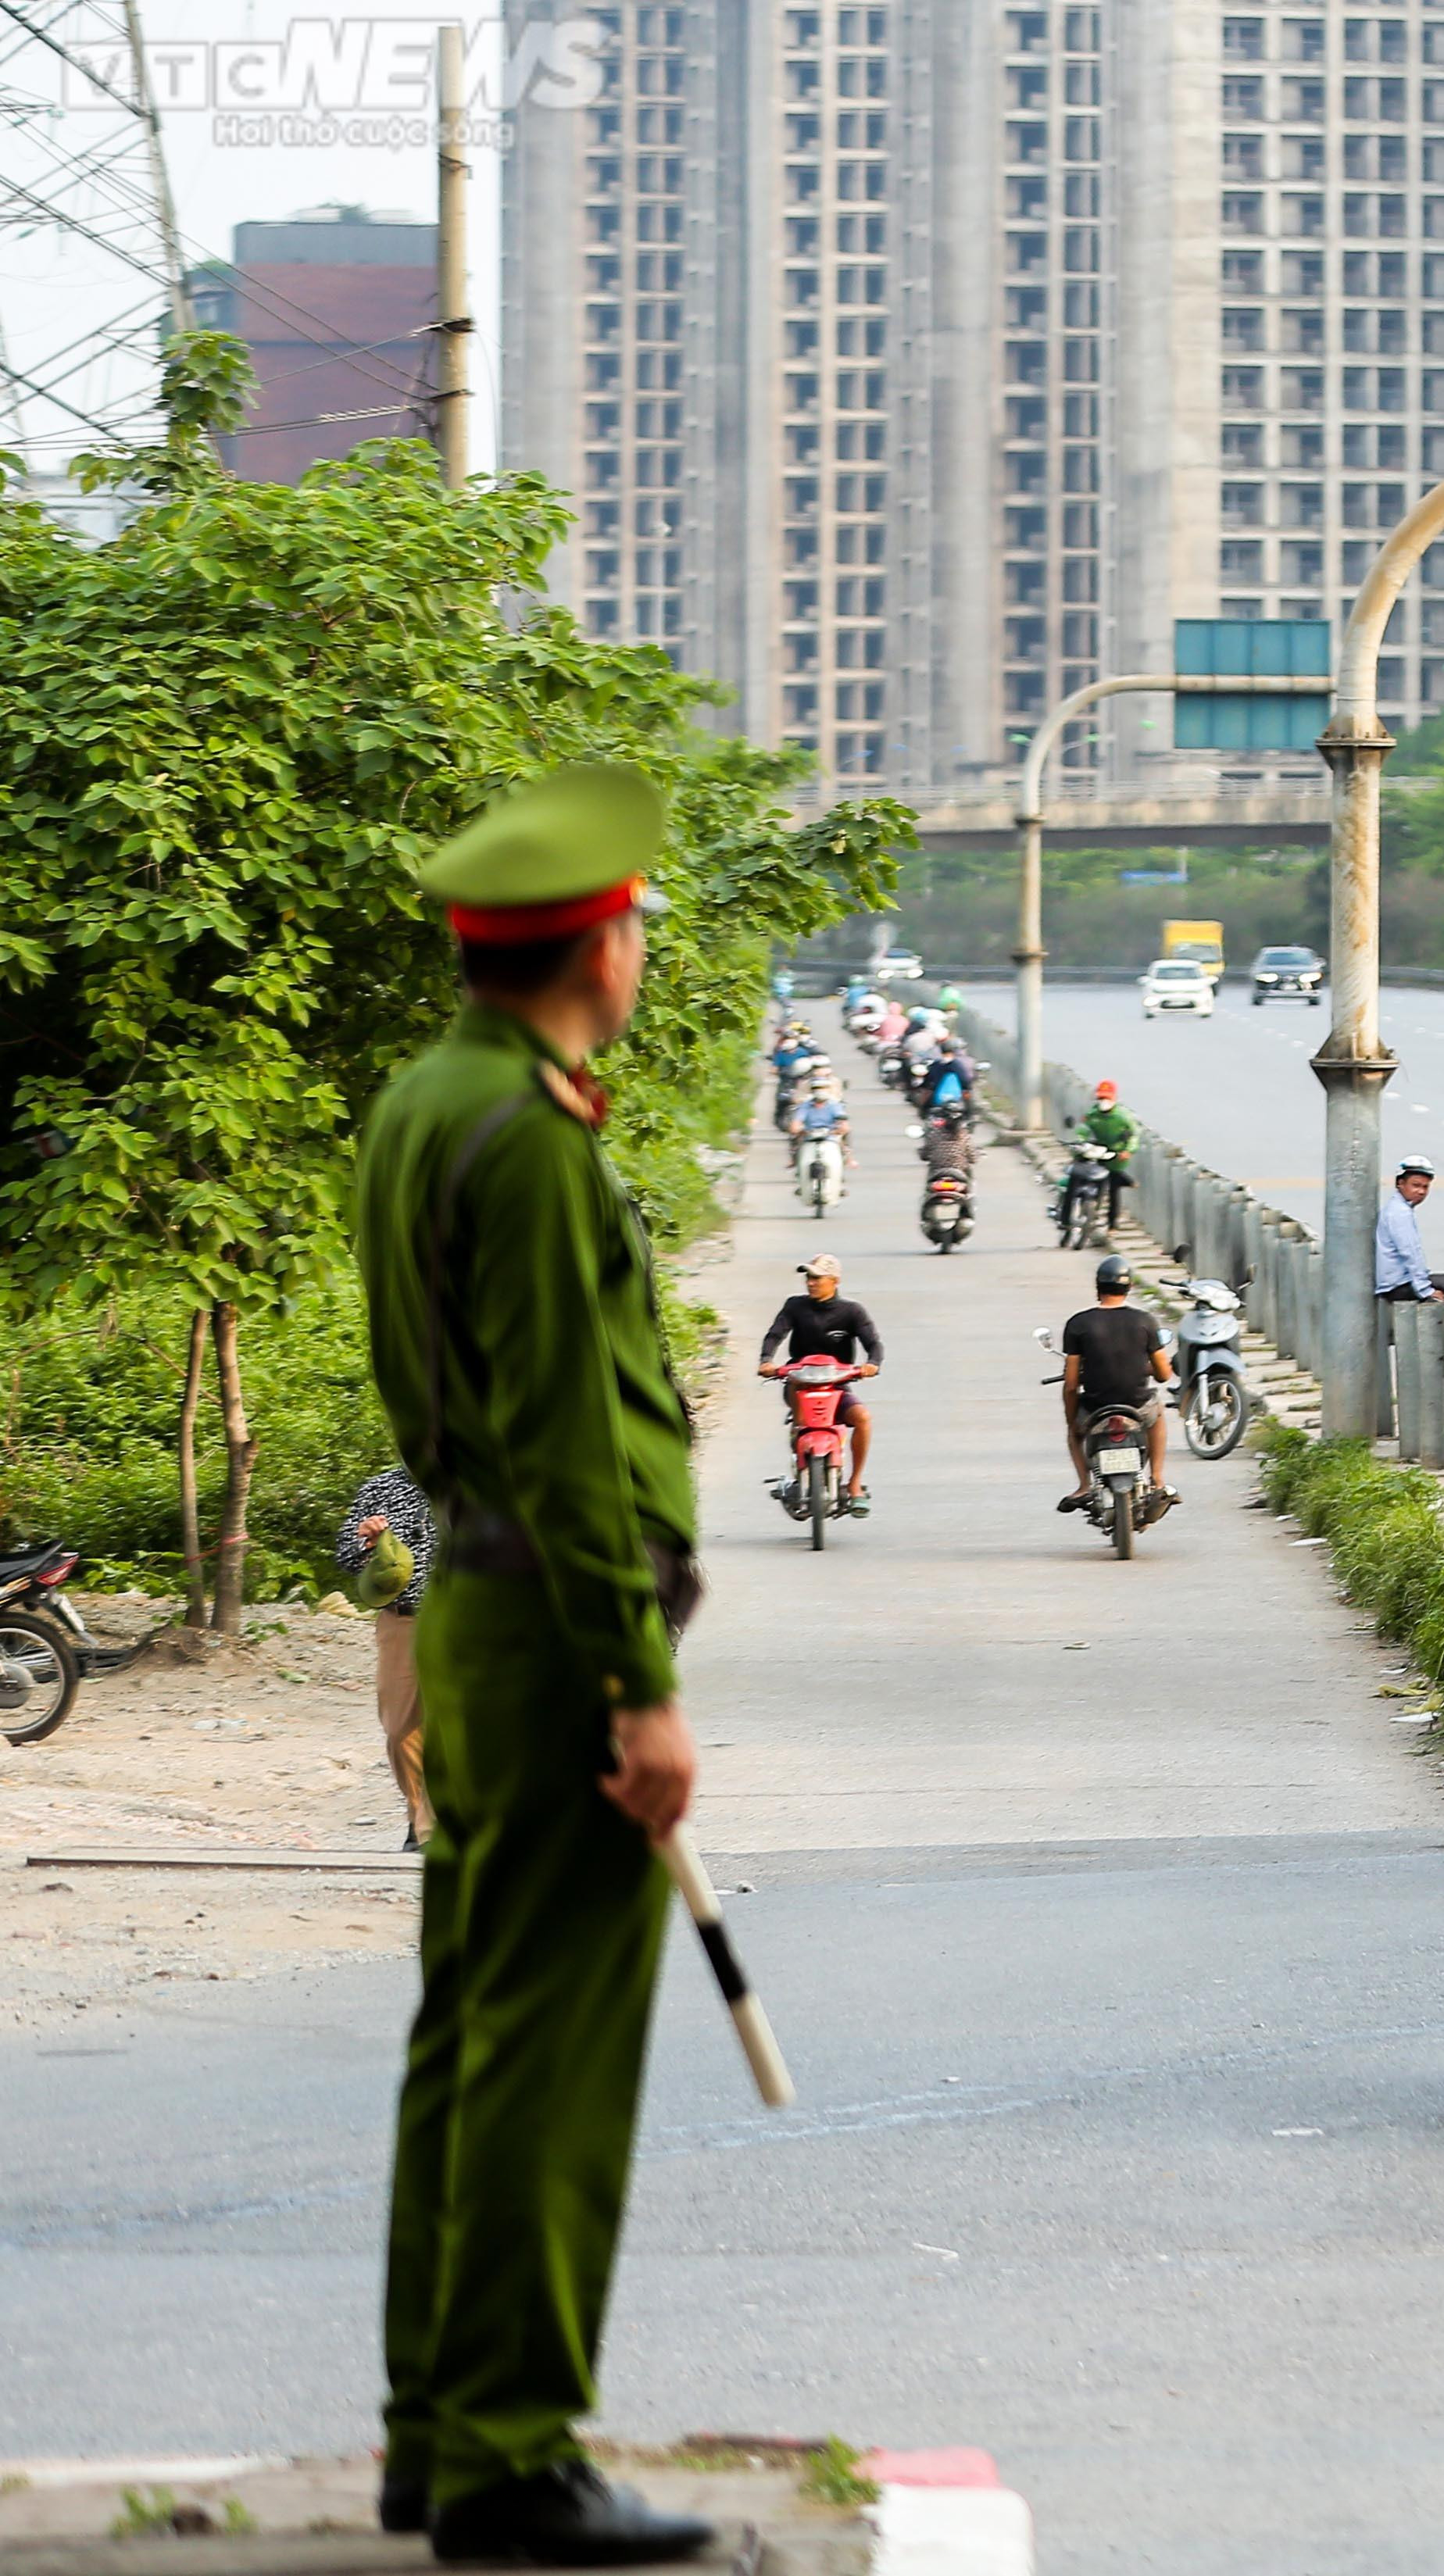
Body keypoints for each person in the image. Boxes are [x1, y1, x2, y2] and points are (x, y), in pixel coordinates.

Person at [351, 763, 715, 2564]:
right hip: (561, 1628)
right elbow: (575, 1445)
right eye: (636, 919)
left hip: (477, 1619)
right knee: (554, 2056)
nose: (643, 941)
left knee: (469, 2032)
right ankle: (509, 2457)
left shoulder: (426, 1103)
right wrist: (640, 1687)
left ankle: (434, 2426)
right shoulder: (539, 1149)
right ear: (596, 943)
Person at [332, 1467, 437, 1849]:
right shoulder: (384, 1486)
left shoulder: (485, 1481)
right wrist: (367, 1542)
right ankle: (418, 1817)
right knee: (400, 1729)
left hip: (470, 1620)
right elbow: (345, 1553)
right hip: (403, 1621)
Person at [756, 1255, 885, 1509]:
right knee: (798, 1406)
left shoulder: (852, 1312)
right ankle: (800, 1438)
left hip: (836, 1387)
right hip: (799, 1383)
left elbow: (874, 1343)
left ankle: (855, 1483)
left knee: (863, 1419)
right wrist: (766, 1361)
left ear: (834, 1281)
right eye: (809, 1277)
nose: (811, 1283)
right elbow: (775, 1334)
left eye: (817, 1278)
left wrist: (872, 1364)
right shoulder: (795, 1306)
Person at [1057, 1253, 1175, 1514]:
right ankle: (1157, 1479)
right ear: (1129, 1287)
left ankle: (1084, 1486)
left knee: (1073, 1433)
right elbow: (1164, 1375)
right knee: (1158, 1414)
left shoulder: (1078, 1324)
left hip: (1096, 1408)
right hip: (1137, 1406)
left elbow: (1071, 1384)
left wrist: (1072, 1420)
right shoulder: (1146, 1321)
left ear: (1097, 1288)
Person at [1375, 1154, 1444, 1304]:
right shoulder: (1400, 1214)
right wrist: (1426, 1292)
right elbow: (1410, 1253)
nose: (1421, 1192)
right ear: (1400, 1183)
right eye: (1416, 1185)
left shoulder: (1398, 1208)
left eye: (1425, 1187)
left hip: (1398, 1281)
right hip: (1397, 1286)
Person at [1070, 1080, 1137, 1236]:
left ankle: (1112, 1223)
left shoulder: (1123, 1117)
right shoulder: (1092, 1115)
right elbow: (1083, 1129)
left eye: (1107, 1098)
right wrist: (1080, 1141)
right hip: (1096, 1150)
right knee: (1079, 1172)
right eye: (1101, 1099)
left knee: (1113, 1188)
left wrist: (1128, 1150)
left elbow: (1134, 1136)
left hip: (1114, 1153)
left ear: (1114, 1098)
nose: (1103, 1102)